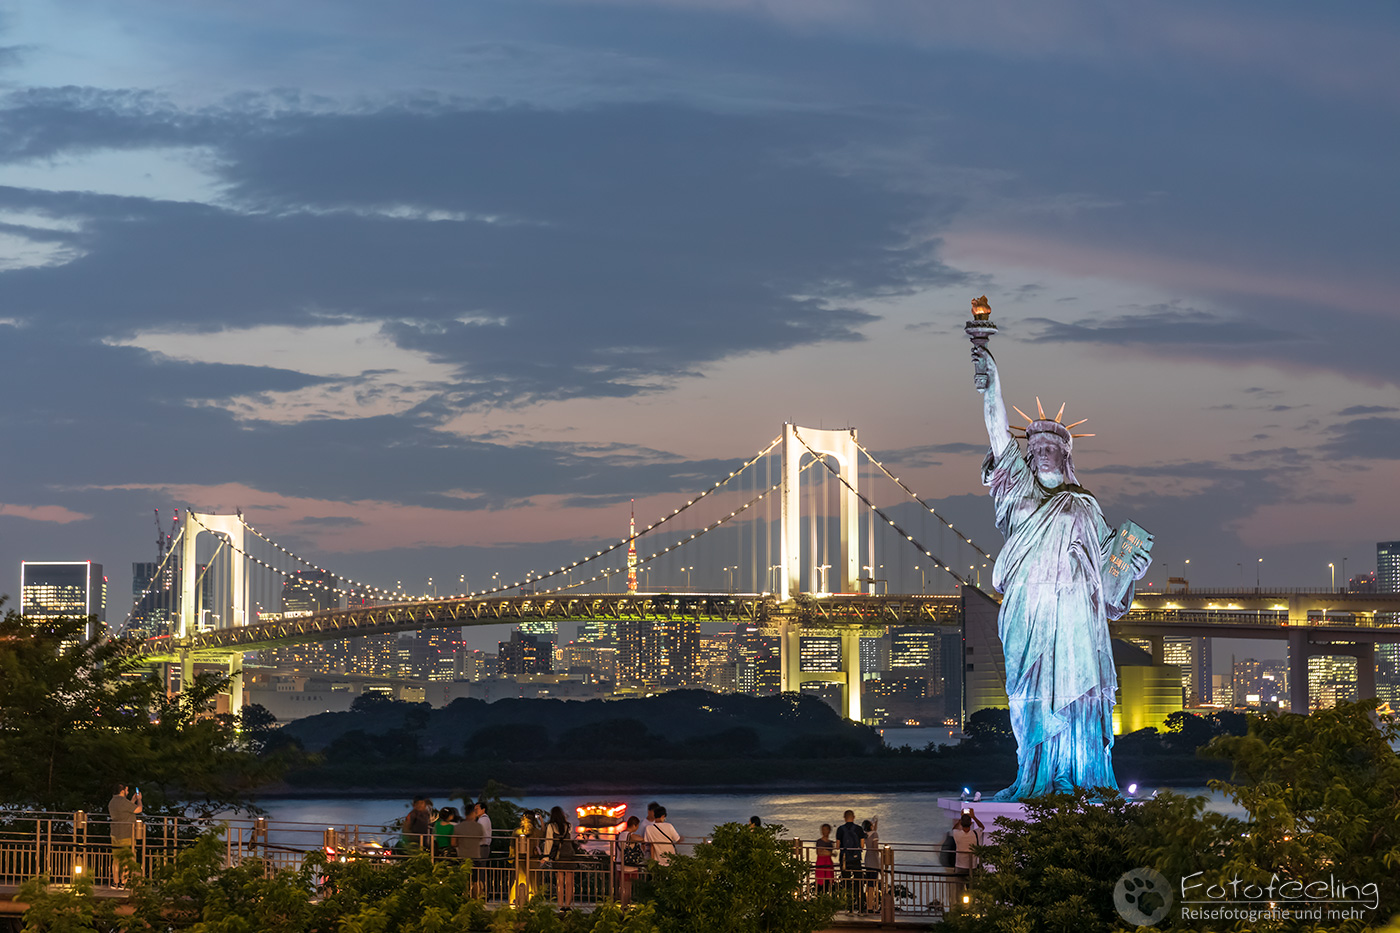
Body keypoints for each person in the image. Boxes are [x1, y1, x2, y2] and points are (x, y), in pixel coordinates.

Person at [972, 345, 1151, 799]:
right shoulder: (1017, 490)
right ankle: (1034, 773)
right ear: (1027, 455)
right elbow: (996, 429)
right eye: (1035, 447)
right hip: (1028, 606)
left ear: (1065, 454)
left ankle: (1079, 773)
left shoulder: (1084, 504)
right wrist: (991, 382)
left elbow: (1109, 567)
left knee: (1077, 690)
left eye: (1051, 446)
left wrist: (1134, 568)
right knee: (1029, 692)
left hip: (1074, 610)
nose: (1043, 452)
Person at [107, 783, 142, 887]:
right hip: (126, 833)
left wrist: (132, 801)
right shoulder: (123, 801)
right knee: (126, 859)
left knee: (116, 859)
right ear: (122, 791)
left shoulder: (112, 802)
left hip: (115, 833)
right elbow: (138, 809)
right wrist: (139, 800)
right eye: (126, 790)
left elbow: (126, 811)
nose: (127, 792)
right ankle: (124, 882)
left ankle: (115, 882)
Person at [543, 806, 576, 909]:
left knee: (559, 882)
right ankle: (568, 905)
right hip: (569, 855)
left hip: (558, 856)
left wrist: (546, 857)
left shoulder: (551, 826)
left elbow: (549, 842)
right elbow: (572, 839)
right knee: (569, 882)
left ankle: (560, 904)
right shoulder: (569, 826)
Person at [834, 809, 866, 893]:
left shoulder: (840, 829)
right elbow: (862, 846)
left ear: (844, 818)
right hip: (856, 858)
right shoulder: (859, 829)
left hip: (844, 858)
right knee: (858, 879)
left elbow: (837, 846)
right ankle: (859, 898)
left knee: (845, 880)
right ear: (854, 817)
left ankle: (846, 898)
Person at [617, 816, 646, 907]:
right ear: (634, 825)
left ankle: (623, 905)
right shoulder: (629, 835)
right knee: (627, 888)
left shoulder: (621, 834)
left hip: (620, 864)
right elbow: (640, 838)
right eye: (637, 826)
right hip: (629, 866)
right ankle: (625, 906)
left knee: (623, 887)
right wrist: (643, 840)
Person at [950, 807, 985, 873]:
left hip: (960, 864)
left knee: (959, 879)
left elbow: (954, 828)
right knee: (971, 879)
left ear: (961, 823)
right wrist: (974, 817)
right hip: (972, 865)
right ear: (971, 823)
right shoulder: (975, 833)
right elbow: (982, 827)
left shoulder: (957, 834)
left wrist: (961, 819)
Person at [861, 817, 880, 912]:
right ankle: (870, 906)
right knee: (872, 883)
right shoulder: (874, 834)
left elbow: (873, 831)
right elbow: (875, 847)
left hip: (867, 859)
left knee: (869, 883)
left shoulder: (865, 835)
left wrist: (875, 823)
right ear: (871, 826)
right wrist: (881, 851)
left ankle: (868, 904)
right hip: (874, 859)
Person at [813, 824, 835, 892]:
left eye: (826, 830)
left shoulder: (831, 842)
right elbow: (819, 852)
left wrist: (826, 851)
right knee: (820, 881)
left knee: (828, 881)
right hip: (821, 863)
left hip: (828, 863)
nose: (824, 831)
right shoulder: (819, 841)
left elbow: (833, 853)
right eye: (823, 830)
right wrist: (829, 853)